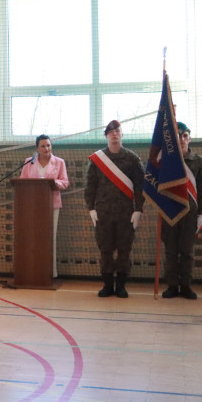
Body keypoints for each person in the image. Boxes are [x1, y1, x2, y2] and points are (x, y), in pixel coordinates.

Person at [85, 120, 144, 298]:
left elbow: (140, 186)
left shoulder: (133, 159)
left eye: (117, 131)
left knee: (124, 250)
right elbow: (90, 186)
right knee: (106, 250)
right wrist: (91, 208)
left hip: (126, 212)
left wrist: (138, 209)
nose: (114, 134)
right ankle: (107, 285)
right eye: (110, 132)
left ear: (122, 134)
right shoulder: (97, 159)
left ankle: (121, 286)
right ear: (106, 135)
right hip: (103, 213)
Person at [161, 123, 202, 299]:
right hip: (170, 212)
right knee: (171, 251)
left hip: (190, 214)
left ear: (189, 138)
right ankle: (172, 285)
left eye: (185, 136)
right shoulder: (165, 159)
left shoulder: (198, 161)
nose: (182, 139)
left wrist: (201, 213)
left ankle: (186, 286)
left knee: (187, 252)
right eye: (178, 136)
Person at [19, 134, 70, 279]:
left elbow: (65, 182)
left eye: (48, 145)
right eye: (43, 146)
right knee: (32, 237)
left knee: (49, 238)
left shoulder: (59, 162)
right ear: (37, 148)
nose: (46, 148)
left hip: (52, 205)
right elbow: (22, 182)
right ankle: (32, 270)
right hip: (32, 206)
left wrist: (53, 183)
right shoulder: (29, 162)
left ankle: (50, 272)